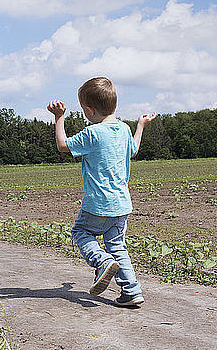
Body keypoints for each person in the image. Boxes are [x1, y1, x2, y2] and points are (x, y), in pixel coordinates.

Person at [47, 77, 156, 306]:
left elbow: (62, 145)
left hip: (97, 204)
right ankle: (131, 292)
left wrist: (59, 118)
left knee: (81, 232)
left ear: (88, 110)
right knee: (117, 245)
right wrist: (140, 126)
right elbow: (133, 150)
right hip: (122, 205)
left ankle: (101, 261)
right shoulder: (125, 130)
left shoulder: (92, 133)